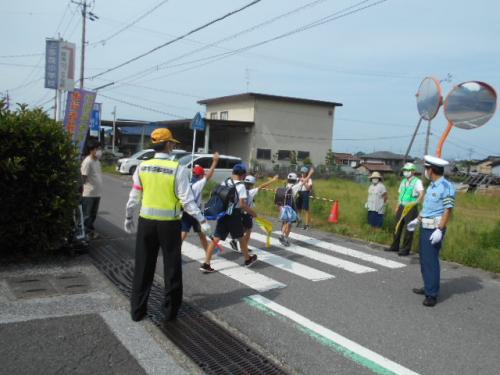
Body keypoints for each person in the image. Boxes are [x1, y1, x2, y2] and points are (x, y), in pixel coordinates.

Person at [123, 128, 212, 322]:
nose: (173, 146)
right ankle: (170, 312)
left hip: (146, 223)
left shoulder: (142, 166)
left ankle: (137, 311)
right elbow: (187, 201)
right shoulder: (177, 169)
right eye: (172, 143)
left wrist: (129, 217)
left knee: (143, 266)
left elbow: (134, 197)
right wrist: (202, 220)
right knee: (172, 268)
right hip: (169, 226)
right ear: (168, 144)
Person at [407, 155, 455, 307]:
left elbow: (448, 210)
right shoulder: (432, 186)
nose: (425, 171)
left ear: (432, 170)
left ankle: (432, 294)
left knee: (431, 261)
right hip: (425, 226)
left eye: (426, 169)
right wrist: (418, 220)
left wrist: (440, 230)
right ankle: (428, 286)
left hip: (434, 229)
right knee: (424, 260)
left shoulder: (446, 187)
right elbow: (428, 208)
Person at [200, 163, 258, 273]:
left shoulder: (225, 182)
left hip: (223, 214)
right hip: (234, 214)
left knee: (216, 238)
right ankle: (247, 259)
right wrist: (252, 213)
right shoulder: (241, 186)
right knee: (240, 237)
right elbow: (242, 204)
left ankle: (206, 263)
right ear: (243, 175)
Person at [181, 152, 220, 252]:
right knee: (201, 234)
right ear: (200, 175)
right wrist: (215, 162)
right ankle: (208, 252)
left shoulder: (188, 182)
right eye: (203, 175)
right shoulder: (198, 184)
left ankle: (175, 252)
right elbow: (209, 176)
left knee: (184, 233)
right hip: (196, 211)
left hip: (186, 210)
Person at [229, 174, 279, 251]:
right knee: (248, 231)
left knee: (244, 229)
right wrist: (273, 180)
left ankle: (236, 240)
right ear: (251, 184)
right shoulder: (251, 192)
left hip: (237, 212)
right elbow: (262, 186)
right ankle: (242, 246)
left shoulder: (238, 189)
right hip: (247, 213)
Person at [387, 162, 424, 256]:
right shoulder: (403, 181)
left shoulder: (417, 181)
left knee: (408, 229)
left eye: (408, 170)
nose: (405, 172)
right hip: (401, 206)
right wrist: (397, 206)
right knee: (397, 226)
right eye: (405, 170)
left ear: (412, 171)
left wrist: (417, 202)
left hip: (410, 208)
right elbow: (400, 194)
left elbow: (422, 193)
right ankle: (395, 246)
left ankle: (405, 249)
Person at [278, 168, 314, 246]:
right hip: (290, 206)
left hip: (284, 206)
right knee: (289, 223)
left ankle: (282, 235)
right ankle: (285, 238)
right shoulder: (295, 186)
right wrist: (310, 173)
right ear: (295, 180)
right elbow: (304, 181)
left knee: (285, 221)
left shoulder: (286, 185)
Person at [81, 139, 103, 240]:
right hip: (88, 193)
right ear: (91, 150)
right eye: (97, 149)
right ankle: (84, 235)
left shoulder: (97, 161)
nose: (100, 151)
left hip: (96, 193)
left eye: (100, 149)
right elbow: (83, 178)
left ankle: (90, 233)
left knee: (93, 215)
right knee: (87, 215)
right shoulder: (87, 161)